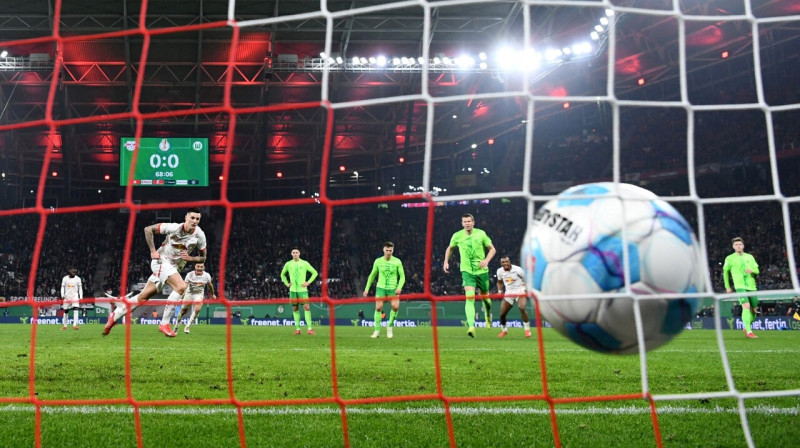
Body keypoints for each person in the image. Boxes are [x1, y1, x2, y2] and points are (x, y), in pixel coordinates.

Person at [103, 207, 207, 338]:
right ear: (186, 217)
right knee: (181, 287)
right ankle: (164, 324)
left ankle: (114, 315)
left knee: (142, 298)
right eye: (192, 218)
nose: (195, 221)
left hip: (173, 268)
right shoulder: (173, 227)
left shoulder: (200, 235)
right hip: (160, 262)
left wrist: (191, 258)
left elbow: (203, 258)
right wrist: (153, 250)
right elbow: (148, 229)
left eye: (197, 219)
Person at [443, 213, 496, 338]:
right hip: (467, 271)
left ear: (473, 222)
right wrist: (446, 261)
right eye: (464, 221)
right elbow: (450, 248)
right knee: (470, 297)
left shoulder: (481, 233)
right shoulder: (457, 235)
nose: (467, 223)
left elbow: (492, 249)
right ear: (462, 223)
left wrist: (486, 261)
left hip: (482, 271)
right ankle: (471, 326)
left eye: (469, 221)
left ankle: (488, 316)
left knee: (485, 296)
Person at [363, 242, 405, 339]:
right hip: (380, 288)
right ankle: (377, 331)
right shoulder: (378, 261)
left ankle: (389, 326)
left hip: (393, 289)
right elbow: (372, 275)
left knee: (395, 307)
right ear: (383, 250)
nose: (388, 252)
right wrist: (366, 289)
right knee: (378, 308)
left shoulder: (397, 261)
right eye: (387, 250)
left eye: (390, 250)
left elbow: (402, 276)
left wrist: (399, 287)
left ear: (393, 250)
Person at [723, 237, 760, 339]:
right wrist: (727, 286)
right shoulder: (729, 258)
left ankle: (746, 326)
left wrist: (752, 270)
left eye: (740, 244)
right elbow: (725, 273)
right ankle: (749, 331)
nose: (738, 246)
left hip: (752, 286)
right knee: (746, 306)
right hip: (740, 286)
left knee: (754, 311)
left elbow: (757, 270)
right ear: (733, 247)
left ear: (743, 246)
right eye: (736, 245)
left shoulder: (750, 257)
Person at [280, 247, 318, 335]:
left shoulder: (304, 263)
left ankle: (309, 329)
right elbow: (282, 274)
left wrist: (308, 282)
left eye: (296, 252)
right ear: (291, 254)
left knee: (306, 307)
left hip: (302, 290)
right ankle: (298, 329)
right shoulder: (288, 264)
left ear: (299, 254)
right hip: (293, 290)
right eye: (293, 252)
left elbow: (315, 273)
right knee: (295, 308)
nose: (295, 254)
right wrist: (286, 283)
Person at [172, 262, 216, 335]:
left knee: (198, 309)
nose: (199, 268)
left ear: (203, 268)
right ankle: (176, 326)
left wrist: (213, 294)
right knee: (183, 311)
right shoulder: (189, 275)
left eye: (201, 267)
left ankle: (187, 326)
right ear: (195, 267)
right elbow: (185, 286)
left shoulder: (207, 276)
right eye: (198, 266)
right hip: (189, 293)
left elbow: (210, 286)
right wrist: (181, 296)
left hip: (199, 294)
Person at [495, 257, 531, 338]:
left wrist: (526, 288)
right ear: (501, 264)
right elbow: (500, 282)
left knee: (521, 307)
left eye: (506, 261)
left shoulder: (518, 270)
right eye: (503, 262)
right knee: (502, 314)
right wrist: (500, 291)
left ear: (509, 262)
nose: (505, 263)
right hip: (509, 293)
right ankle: (504, 330)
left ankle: (527, 330)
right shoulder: (499, 271)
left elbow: (526, 279)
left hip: (520, 291)